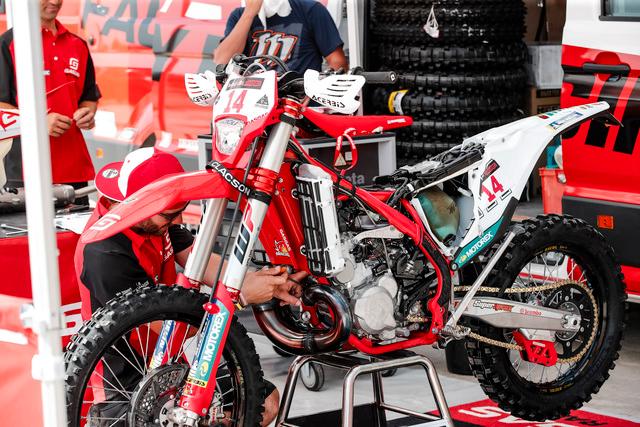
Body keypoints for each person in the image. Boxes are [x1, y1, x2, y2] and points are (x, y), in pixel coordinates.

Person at [75, 147, 305, 426]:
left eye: (181, 210)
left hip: (170, 362)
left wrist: (263, 282)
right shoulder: (105, 254)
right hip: (125, 377)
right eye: (170, 215)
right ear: (136, 205)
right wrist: (240, 297)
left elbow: (201, 259)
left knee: (264, 402)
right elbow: (170, 328)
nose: (179, 221)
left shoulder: (153, 218)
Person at [0, 0, 100, 200]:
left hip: (74, 171)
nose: (55, 2)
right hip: (24, 172)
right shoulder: (8, 44)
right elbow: (2, 106)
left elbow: (89, 97)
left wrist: (87, 114)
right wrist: (38, 122)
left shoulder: (78, 45)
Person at [214, 0, 349, 74]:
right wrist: (249, 13)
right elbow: (222, 60)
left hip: (298, 104)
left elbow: (337, 62)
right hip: (253, 101)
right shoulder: (239, 16)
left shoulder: (311, 10)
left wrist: (318, 93)